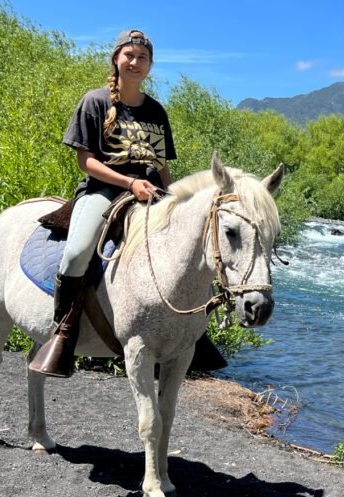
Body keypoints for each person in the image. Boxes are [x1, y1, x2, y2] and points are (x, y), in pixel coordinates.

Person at [30, 29, 223, 377]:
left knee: (190, 248)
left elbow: (162, 166)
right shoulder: (95, 101)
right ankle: (64, 329)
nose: (135, 62)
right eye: (129, 55)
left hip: (151, 194)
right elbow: (86, 161)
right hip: (103, 191)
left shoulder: (155, 111)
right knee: (77, 252)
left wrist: (175, 200)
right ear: (116, 59)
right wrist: (130, 182)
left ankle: (195, 332)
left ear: (150, 65)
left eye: (142, 58)